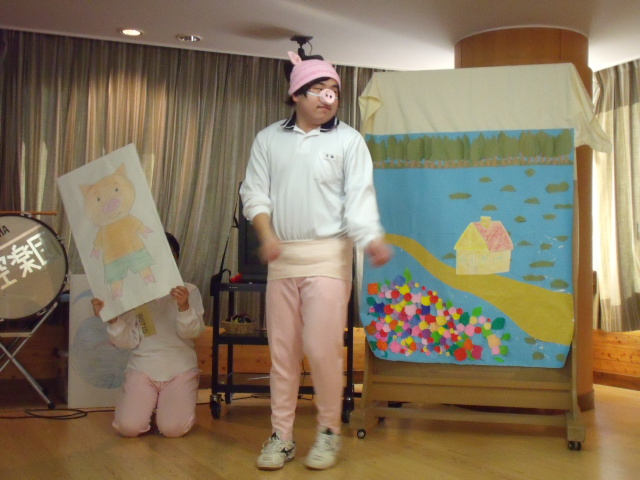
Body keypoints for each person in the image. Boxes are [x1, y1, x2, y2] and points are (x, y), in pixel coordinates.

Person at [239, 50, 392, 471]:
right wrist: (267, 236)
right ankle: (282, 437)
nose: (329, 99)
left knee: (322, 350)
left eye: (334, 92)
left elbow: (359, 197)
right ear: (296, 94)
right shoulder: (268, 139)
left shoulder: (349, 140)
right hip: (283, 259)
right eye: (320, 90)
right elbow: (254, 193)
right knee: (282, 353)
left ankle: (328, 431)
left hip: (329, 256)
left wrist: (371, 238)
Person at [91, 232, 205, 438]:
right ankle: (148, 405)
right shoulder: (133, 293)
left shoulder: (189, 290)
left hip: (180, 369)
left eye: (168, 255)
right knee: (128, 427)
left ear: (176, 259)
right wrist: (113, 319)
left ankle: (166, 406)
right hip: (143, 368)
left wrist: (184, 307)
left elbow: (192, 332)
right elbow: (129, 341)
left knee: (173, 429)